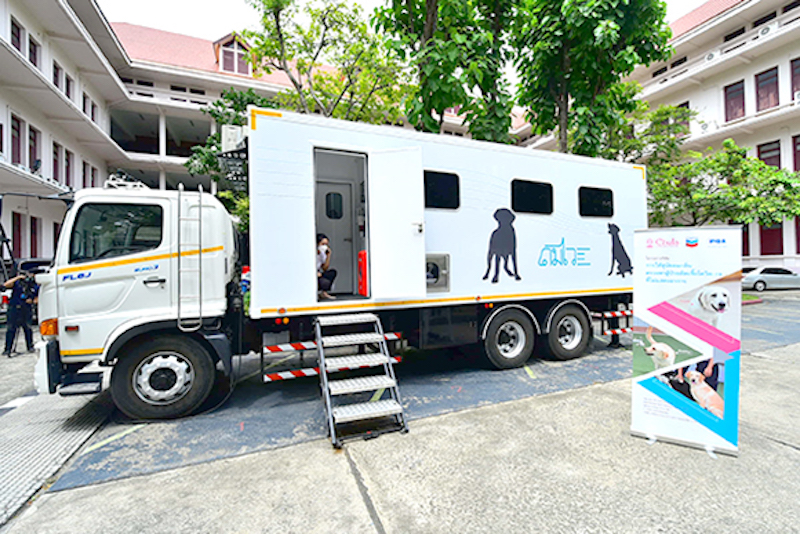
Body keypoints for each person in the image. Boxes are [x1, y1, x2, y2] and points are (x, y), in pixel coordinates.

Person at [3, 271, 37, 356]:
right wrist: (17, 278)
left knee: (27, 328)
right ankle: (8, 349)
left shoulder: (34, 285)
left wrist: (32, 300)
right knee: (11, 328)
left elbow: (38, 297)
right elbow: (5, 285)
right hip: (14, 307)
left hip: (26, 308)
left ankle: (30, 346)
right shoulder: (17, 283)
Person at [316, 234, 337, 300]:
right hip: (312, 274)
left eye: (326, 244)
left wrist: (328, 256)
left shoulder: (322, 254)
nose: (324, 246)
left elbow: (325, 268)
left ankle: (323, 293)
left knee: (332, 273)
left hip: (319, 274)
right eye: (323, 244)